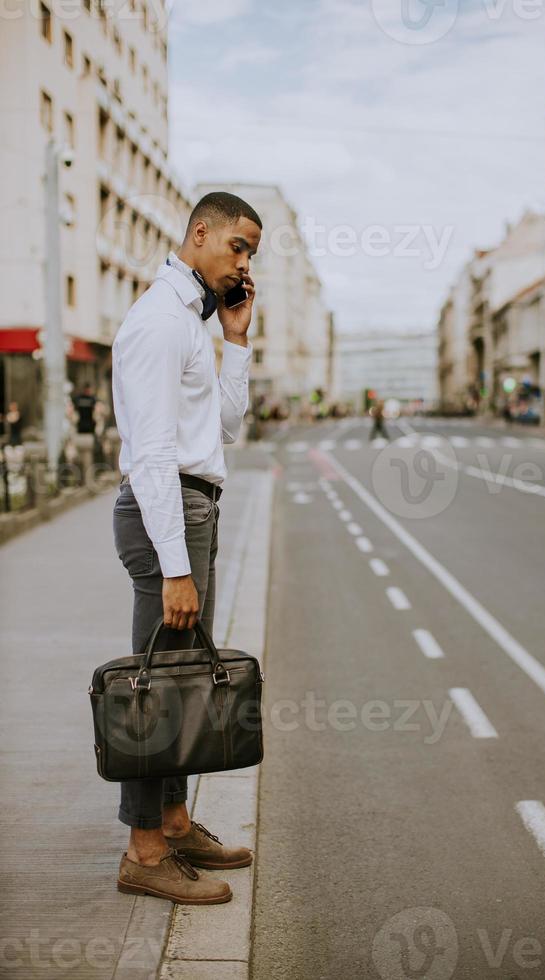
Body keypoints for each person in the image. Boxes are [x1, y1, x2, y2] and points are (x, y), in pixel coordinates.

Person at [110, 191, 262, 905]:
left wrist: (236, 340)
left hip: (193, 505)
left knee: (176, 684)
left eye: (252, 255)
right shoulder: (157, 320)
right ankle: (143, 849)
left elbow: (224, 427)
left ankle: (173, 823)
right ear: (200, 233)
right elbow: (153, 455)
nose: (244, 263)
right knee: (152, 691)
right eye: (238, 247)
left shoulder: (195, 321)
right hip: (162, 512)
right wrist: (175, 564)